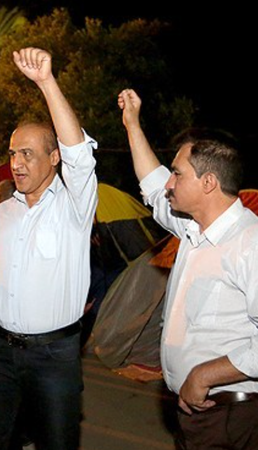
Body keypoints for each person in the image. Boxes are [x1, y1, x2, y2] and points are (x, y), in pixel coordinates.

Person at [0, 47, 98, 450]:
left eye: (27, 154)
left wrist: (46, 82)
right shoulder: (1, 214)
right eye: (13, 153)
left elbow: (80, 155)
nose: (16, 163)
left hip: (54, 355)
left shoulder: (74, 206)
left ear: (54, 158)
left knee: (56, 443)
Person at [118, 88, 258, 449]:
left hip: (232, 417)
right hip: (196, 413)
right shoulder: (192, 229)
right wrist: (132, 123)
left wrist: (205, 375)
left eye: (177, 174)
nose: (169, 182)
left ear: (208, 182)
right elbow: (152, 186)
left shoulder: (249, 244)